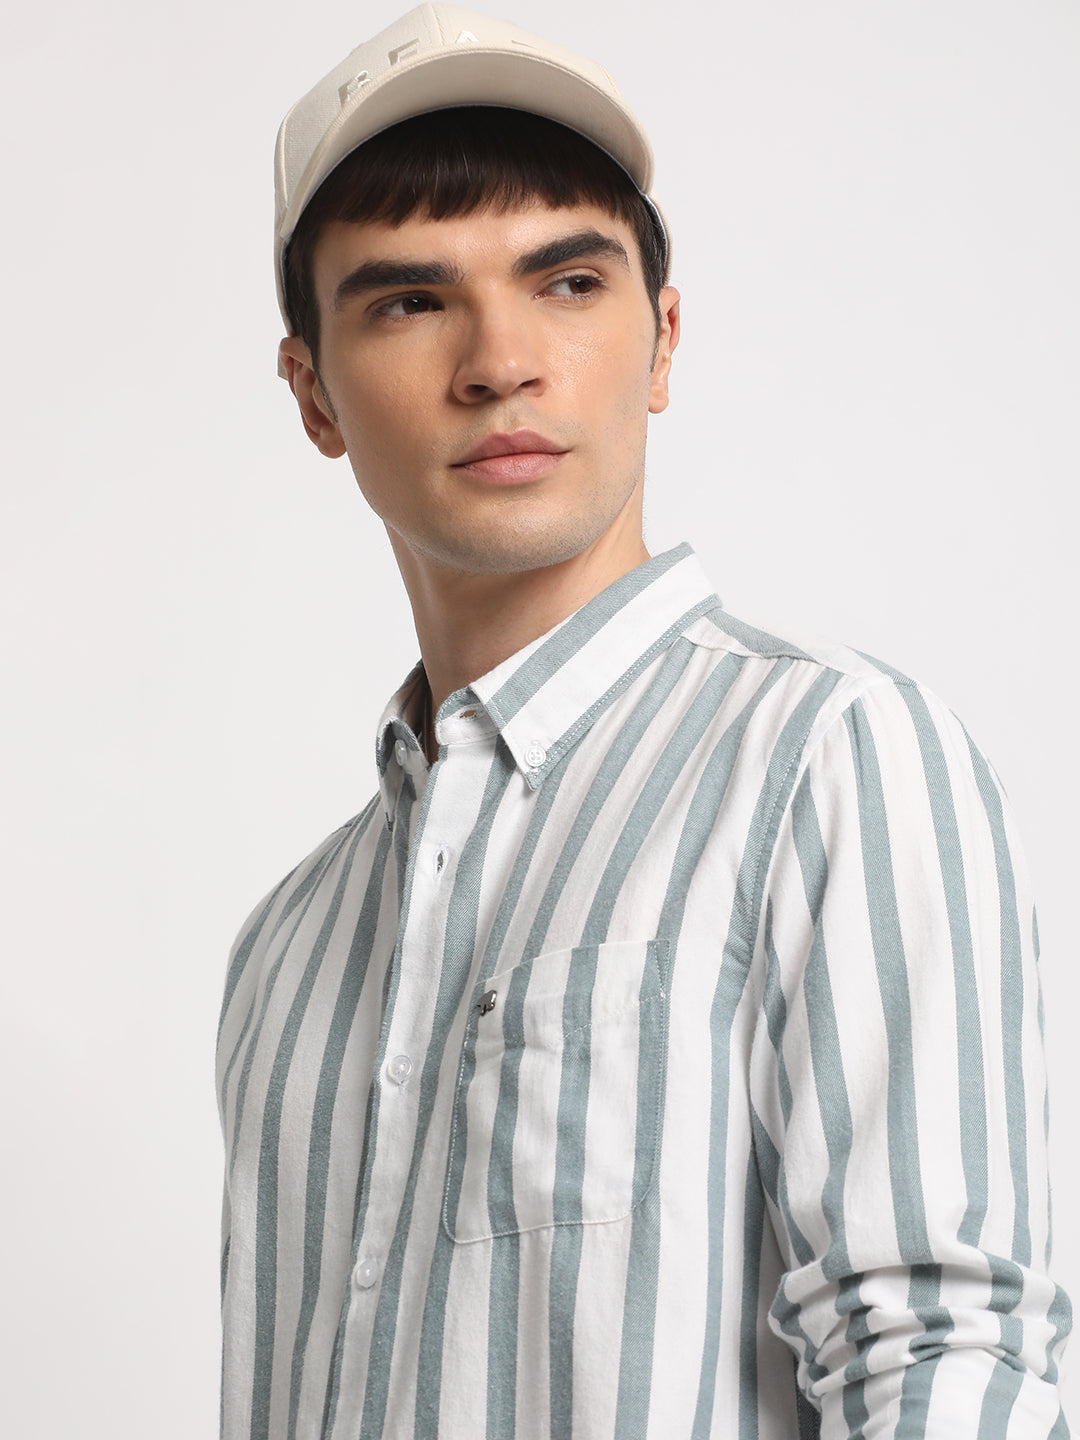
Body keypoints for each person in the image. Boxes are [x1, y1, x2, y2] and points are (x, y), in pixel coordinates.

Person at [217, 6, 1071, 1437]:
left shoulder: (828, 761)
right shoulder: (287, 953)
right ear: (314, 393)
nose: (501, 360)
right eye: (410, 301)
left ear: (662, 340)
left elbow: (946, 1361)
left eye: (566, 281)